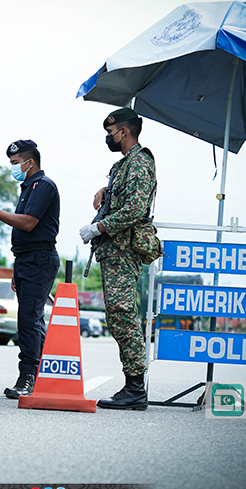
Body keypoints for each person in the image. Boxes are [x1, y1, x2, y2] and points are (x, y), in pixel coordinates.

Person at [0, 139, 60, 399]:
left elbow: (28, 223)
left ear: (30, 162)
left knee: (28, 319)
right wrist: (18, 268)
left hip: (39, 259)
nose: (13, 167)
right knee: (32, 318)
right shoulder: (28, 187)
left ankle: (28, 377)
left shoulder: (43, 186)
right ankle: (39, 374)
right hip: (26, 260)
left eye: (15, 163)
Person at [79, 107, 156, 411]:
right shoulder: (123, 165)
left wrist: (98, 227)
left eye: (111, 133)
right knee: (116, 315)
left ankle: (135, 387)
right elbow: (123, 197)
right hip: (113, 251)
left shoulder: (139, 163)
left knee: (123, 313)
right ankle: (133, 384)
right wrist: (105, 189)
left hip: (125, 251)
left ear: (124, 131)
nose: (108, 138)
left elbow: (136, 210)